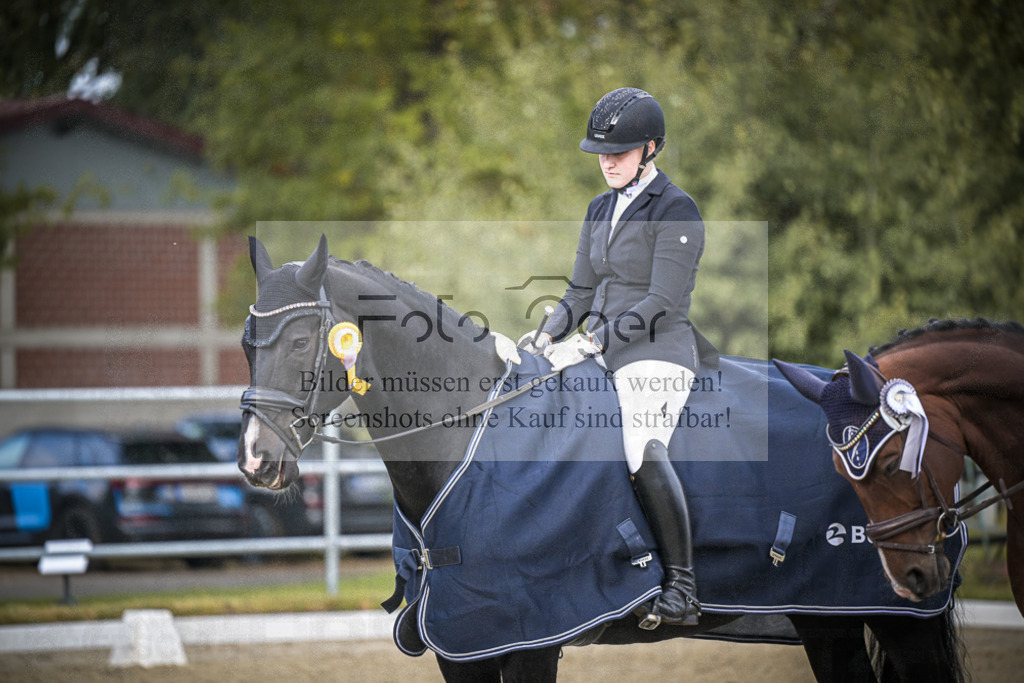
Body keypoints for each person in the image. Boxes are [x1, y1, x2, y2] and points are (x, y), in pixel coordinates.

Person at [520, 87, 715, 629]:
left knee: (638, 443)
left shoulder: (677, 208)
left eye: (620, 152)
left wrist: (595, 341)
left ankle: (682, 586)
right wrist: (546, 333)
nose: (607, 162)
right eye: (601, 152)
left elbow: (661, 302)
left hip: (657, 353)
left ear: (650, 148)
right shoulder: (599, 207)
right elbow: (579, 292)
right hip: (601, 347)